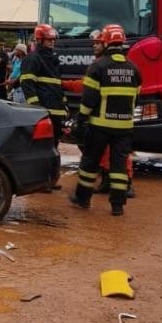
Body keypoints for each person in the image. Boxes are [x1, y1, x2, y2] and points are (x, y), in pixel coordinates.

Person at [70, 24, 141, 216]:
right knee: (119, 166)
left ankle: (83, 199)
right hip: (124, 127)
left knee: (90, 162)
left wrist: (81, 118)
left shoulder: (98, 66)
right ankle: (117, 205)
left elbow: (89, 99)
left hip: (100, 126)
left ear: (106, 42)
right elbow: (136, 99)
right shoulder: (134, 68)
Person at [20, 24, 67, 146]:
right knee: (41, 147)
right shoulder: (32, 59)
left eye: (53, 40)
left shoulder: (53, 59)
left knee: (53, 146)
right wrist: (36, 108)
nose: (52, 42)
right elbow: (27, 85)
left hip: (56, 113)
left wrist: (64, 104)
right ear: (40, 40)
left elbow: (58, 86)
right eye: (49, 40)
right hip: (44, 112)